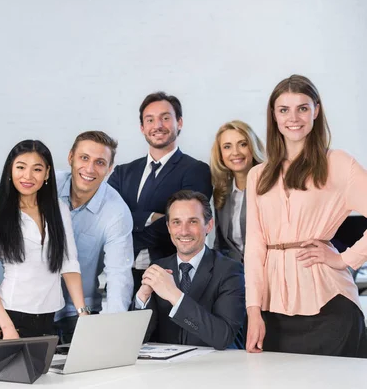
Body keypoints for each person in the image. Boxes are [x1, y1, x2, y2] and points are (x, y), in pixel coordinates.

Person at [245, 74, 367, 357]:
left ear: (316, 110)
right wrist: (253, 311)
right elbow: (254, 248)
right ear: (273, 116)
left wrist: (344, 259)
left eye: (302, 108)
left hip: (329, 304)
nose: (294, 118)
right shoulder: (257, 176)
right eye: (284, 109)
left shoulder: (338, 163)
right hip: (272, 309)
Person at [0, 140, 87, 346]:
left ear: (47, 173)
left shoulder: (59, 209)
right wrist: (8, 329)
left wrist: (83, 313)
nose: (28, 176)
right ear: (10, 170)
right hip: (9, 319)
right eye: (20, 167)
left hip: (48, 318)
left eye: (37, 169)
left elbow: (69, 264)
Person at [108, 92, 212, 294]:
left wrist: (128, 230)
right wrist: (151, 217)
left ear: (179, 122)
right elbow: (108, 219)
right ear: (142, 128)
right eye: (150, 119)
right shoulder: (122, 173)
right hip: (123, 275)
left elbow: (183, 226)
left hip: (173, 277)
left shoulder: (195, 170)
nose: (158, 125)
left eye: (165, 118)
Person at [134, 190, 245, 350]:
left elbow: (223, 337)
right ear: (168, 227)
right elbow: (139, 339)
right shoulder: (158, 267)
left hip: (215, 369)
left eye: (192, 221)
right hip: (166, 371)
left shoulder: (230, 270)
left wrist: (174, 294)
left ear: (209, 225)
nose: (184, 231)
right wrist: (143, 298)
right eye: (176, 222)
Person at [54, 131, 134, 344]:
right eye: (84, 158)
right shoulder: (46, 187)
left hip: (79, 313)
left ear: (109, 169)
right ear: (70, 157)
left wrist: (112, 332)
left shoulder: (116, 212)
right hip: (34, 307)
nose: (89, 169)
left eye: (99, 162)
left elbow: (119, 276)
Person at [210, 121, 265, 262]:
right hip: (233, 274)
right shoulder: (221, 192)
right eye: (227, 147)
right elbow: (220, 243)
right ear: (221, 154)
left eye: (243, 144)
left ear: (253, 147)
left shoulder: (270, 188)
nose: (235, 152)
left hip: (267, 269)